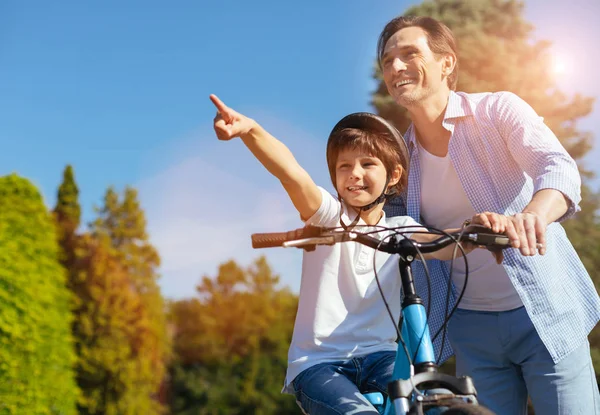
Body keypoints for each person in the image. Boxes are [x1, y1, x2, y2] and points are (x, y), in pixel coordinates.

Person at [210, 94, 513, 414]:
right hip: (320, 365)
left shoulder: (399, 227)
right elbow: (292, 175)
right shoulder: (328, 217)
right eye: (345, 166)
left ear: (393, 176)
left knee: (426, 401)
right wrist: (251, 131)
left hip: (381, 358)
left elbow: (443, 244)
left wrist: (475, 231)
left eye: (367, 164)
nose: (354, 173)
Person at [377, 15, 600, 415]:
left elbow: (557, 166)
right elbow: (399, 233)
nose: (395, 66)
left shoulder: (498, 110)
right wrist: (463, 235)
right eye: (388, 60)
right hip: (471, 328)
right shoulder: (398, 161)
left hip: (544, 312)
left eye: (410, 53)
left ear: (447, 63)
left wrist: (533, 214)